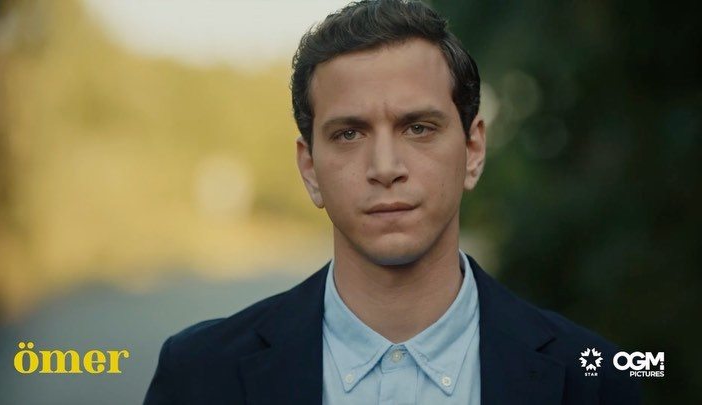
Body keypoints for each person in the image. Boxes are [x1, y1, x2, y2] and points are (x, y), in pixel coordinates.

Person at [143, 1, 641, 404]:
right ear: (310, 169)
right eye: (349, 133)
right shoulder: (198, 373)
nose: (385, 167)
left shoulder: (595, 378)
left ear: (473, 151)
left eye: (418, 128)